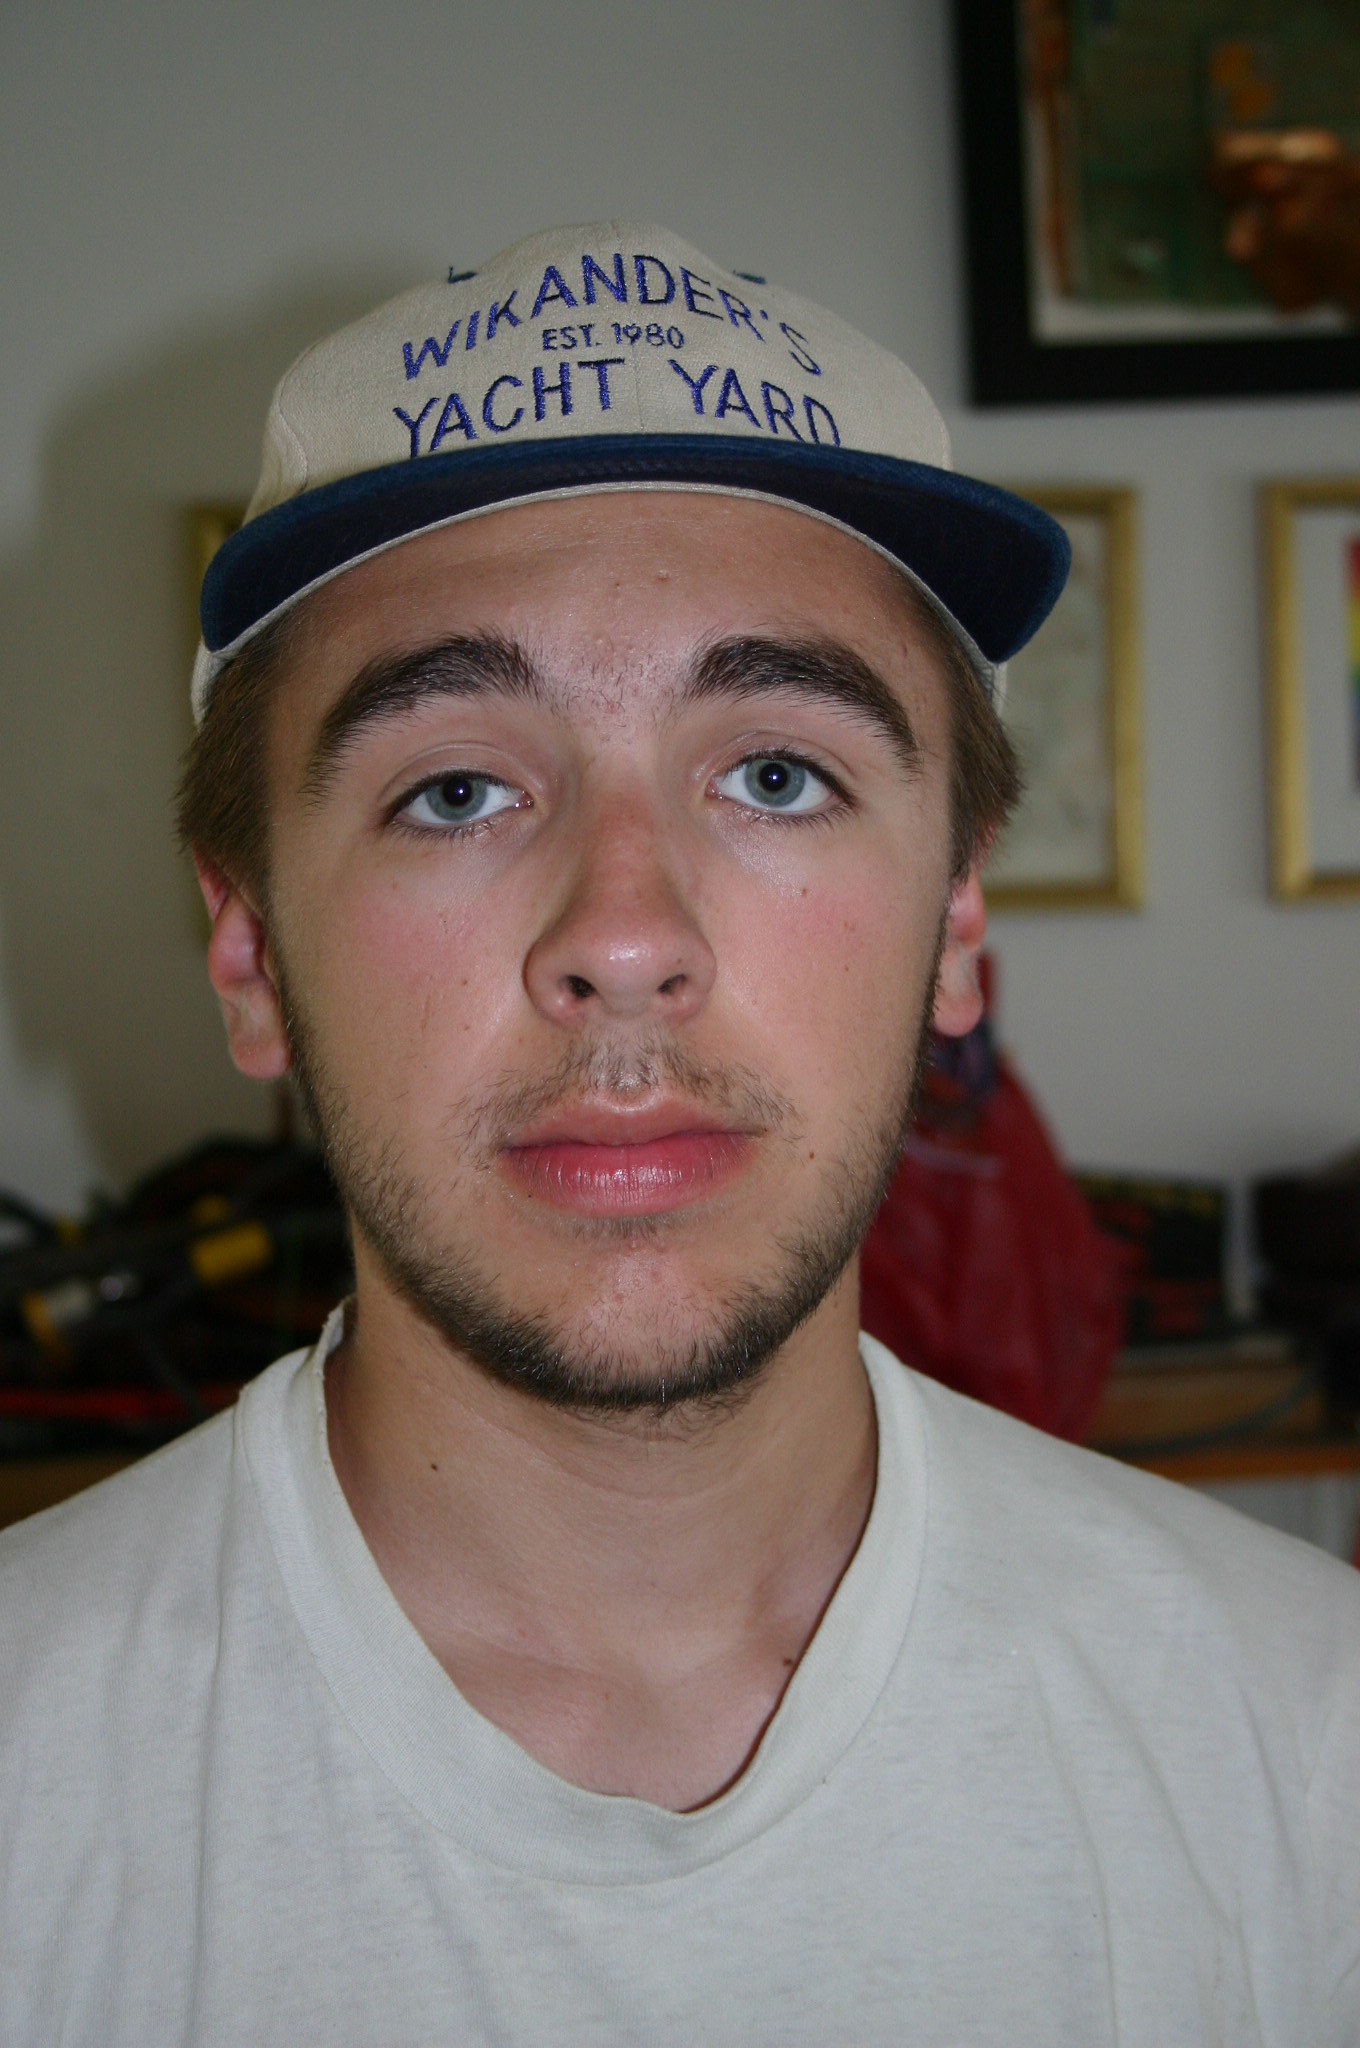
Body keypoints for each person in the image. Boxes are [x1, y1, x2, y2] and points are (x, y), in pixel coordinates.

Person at [1, 222, 1356, 2047]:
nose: (626, 936)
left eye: (776, 774)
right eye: (456, 788)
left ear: (959, 924)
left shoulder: (1307, 1748)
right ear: (250, 953)